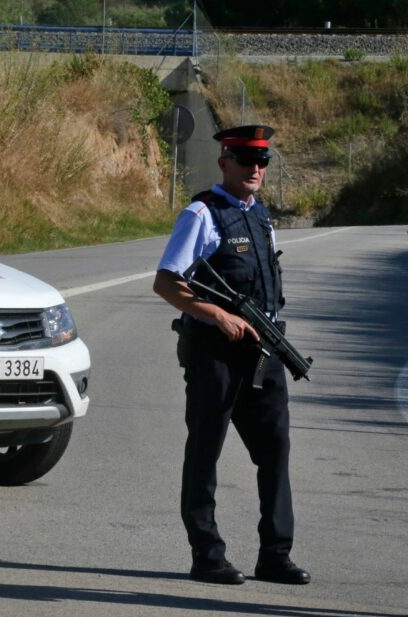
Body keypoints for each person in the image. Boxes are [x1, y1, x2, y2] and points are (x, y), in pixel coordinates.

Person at [153, 125, 310, 586]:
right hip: (216, 353)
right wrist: (215, 315)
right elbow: (167, 282)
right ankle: (207, 553)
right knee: (205, 451)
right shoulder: (202, 214)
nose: (255, 170)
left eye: (263, 162)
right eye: (245, 160)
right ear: (224, 162)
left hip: (263, 351)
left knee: (275, 451)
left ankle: (276, 555)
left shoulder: (261, 216)